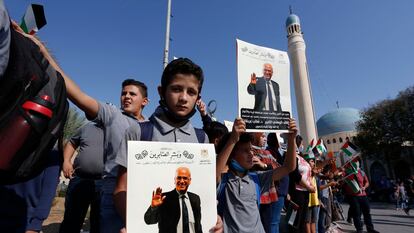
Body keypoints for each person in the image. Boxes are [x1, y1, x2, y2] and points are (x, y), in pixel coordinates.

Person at [113, 58, 223, 232]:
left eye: (191, 92)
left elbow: (207, 193)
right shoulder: (139, 132)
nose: (183, 98)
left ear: (198, 98)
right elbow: (121, 189)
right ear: (161, 91)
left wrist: (214, 220)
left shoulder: (201, 138)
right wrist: (134, 224)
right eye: (176, 89)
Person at [215, 118, 297, 233]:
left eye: (251, 149)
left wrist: (291, 139)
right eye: (245, 150)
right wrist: (233, 139)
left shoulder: (257, 178)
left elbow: (289, 167)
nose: (251, 154)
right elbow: (214, 172)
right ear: (231, 154)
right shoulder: (223, 181)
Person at [59, 122, 104, 233]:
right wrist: (66, 161)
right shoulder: (87, 127)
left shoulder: (118, 128)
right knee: (71, 221)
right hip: (80, 179)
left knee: (99, 223)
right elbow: (72, 142)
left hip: (105, 183)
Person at [144, 167, 202, 233]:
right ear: (174, 180)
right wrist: (153, 207)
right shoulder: (164, 198)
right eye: (179, 178)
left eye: (185, 178)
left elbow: (198, 225)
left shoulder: (195, 199)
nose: (182, 181)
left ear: (190, 180)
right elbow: (149, 220)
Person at [342, 161, 379, 233]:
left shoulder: (361, 172)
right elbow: (341, 179)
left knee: (367, 213)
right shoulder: (347, 173)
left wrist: (364, 187)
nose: (356, 164)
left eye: (357, 162)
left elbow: (367, 182)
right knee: (357, 213)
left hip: (363, 195)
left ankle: (370, 229)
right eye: (354, 163)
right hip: (353, 196)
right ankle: (359, 229)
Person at [267, 133, 290, 233]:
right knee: (274, 221)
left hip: (280, 191)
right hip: (277, 191)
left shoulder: (275, 152)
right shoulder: (270, 152)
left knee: (275, 221)